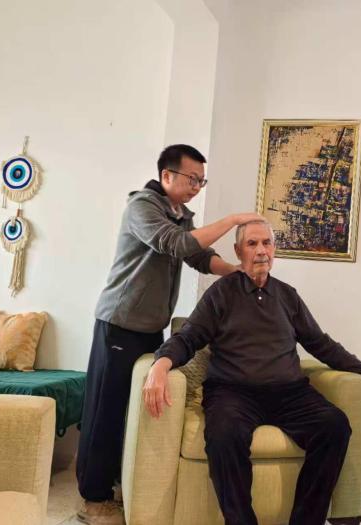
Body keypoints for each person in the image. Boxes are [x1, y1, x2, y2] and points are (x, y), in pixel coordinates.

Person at [142, 219, 361, 525]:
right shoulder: (221, 293)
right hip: (232, 392)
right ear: (238, 251)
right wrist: (162, 363)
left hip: (290, 393)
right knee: (223, 434)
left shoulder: (287, 296)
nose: (261, 250)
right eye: (252, 244)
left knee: (335, 426)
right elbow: (188, 337)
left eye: (267, 243)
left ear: (274, 249)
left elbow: (321, 344)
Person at [76, 144, 263, 525]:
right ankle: (92, 500)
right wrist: (232, 220)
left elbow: (197, 256)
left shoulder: (181, 215)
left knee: (132, 413)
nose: (197, 187)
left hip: (150, 326)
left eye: (201, 181)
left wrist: (235, 271)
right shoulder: (142, 207)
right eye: (192, 179)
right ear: (166, 175)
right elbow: (175, 244)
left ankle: (115, 485)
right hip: (120, 323)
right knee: (105, 412)